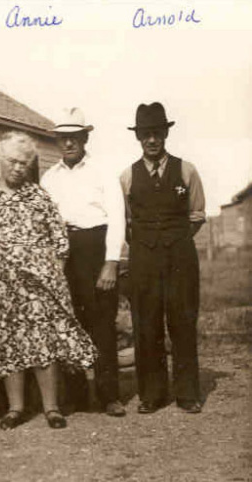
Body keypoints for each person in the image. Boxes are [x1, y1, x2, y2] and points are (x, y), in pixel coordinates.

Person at [0, 131, 98, 430]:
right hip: (1, 284)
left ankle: (51, 407)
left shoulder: (39, 195)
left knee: (43, 341)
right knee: (9, 342)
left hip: (39, 285)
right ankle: (15, 408)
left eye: (24, 162)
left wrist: (51, 274)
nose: (18, 167)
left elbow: (60, 240)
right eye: (12, 161)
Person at [120, 102, 206, 414]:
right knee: (147, 325)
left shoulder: (186, 170)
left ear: (166, 134)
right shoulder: (127, 177)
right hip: (144, 260)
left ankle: (187, 393)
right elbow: (126, 222)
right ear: (138, 137)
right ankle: (152, 394)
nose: (152, 140)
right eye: (145, 134)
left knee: (182, 321)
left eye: (156, 133)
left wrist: (175, 243)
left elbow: (196, 215)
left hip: (181, 258)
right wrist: (147, 247)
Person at [41, 108, 127, 417]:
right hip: (64, 253)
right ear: (57, 142)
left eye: (74, 138)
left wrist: (111, 262)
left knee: (102, 324)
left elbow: (117, 219)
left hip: (96, 247)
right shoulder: (49, 179)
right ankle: (75, 395)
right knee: (68, 324)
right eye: (63, 139)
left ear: (85, 138)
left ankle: (109, 395)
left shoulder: (103, 173)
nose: (68, 145)